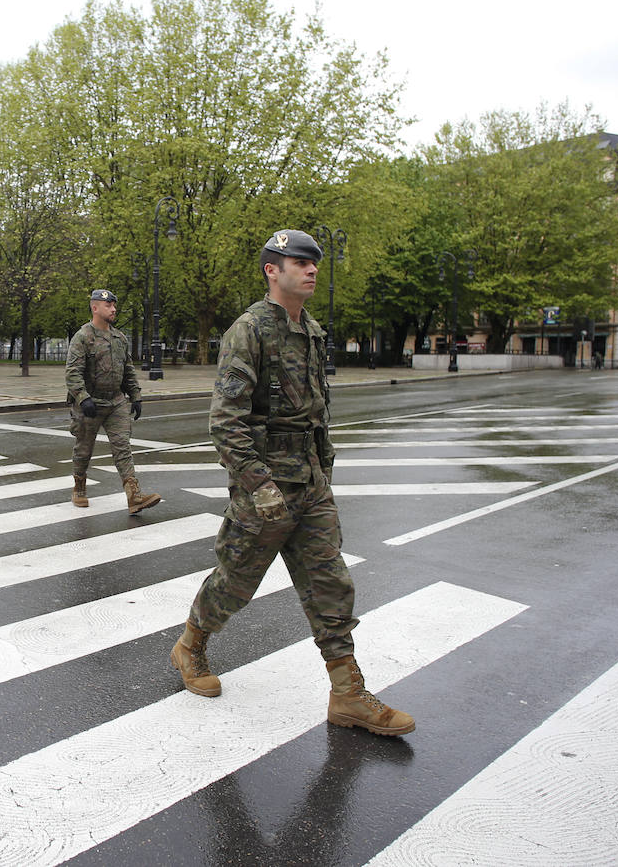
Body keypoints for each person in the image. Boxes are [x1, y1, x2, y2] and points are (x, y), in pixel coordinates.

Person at [169, 230, 415, 736]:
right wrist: (259, 486)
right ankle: (190, 646)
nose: (311, 269)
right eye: (298, 261)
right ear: (271, 270)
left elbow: (318, 411)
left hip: (310, 483)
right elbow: (225, 421)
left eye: (314, 262)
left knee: (332, 583)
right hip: (265, 488)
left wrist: (323, 471)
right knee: (235, 580)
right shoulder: (249, 330)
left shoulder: (313, 332)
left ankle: (347, 694)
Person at [65, 288, 161, 515]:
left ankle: (134, 497)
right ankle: (79, 487)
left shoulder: (120, 338)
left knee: (123, 447)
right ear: (95, 307)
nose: (114, 309)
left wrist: (136, 396)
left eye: (114, 305)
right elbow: (72, 372)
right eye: (108, 305)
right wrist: (83, 398)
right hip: (90, 403)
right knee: (84, 449)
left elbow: (127, 370)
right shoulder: (83, 337)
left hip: (116, 402)